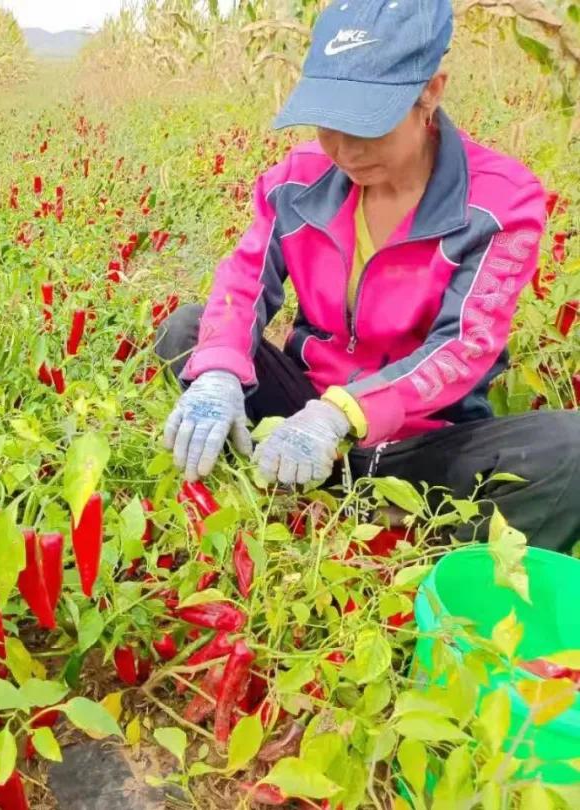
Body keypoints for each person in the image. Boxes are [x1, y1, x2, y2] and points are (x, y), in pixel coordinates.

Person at [156, 0, 580, 552]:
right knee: (190, 333)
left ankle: (410, 535)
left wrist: (344, 414)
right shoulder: (297, 182)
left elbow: (462, 347)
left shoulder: (500, 202)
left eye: (369, 125)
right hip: (299, 411)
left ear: (431, 91)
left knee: (572, 448)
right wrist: (218, 373)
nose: (347, 150)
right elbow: (242, 283)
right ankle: (318, 489)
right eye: (330, 126)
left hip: (421, 441)